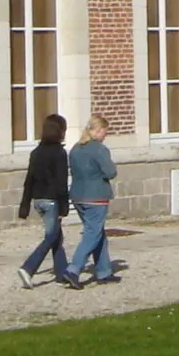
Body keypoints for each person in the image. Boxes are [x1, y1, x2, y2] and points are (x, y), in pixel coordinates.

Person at [17, 113, 77, 289]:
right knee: (51, 237)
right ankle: (28, 268)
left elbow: (29, 180)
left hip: (38, 200)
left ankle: (61, 272)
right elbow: (61, 182)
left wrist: (25, 205)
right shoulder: (59, 153)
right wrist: (64, 208)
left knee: (56, 236)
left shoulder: (36, 152)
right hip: (51, 201)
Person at [67, 114, 119, 285]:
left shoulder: (75, 148)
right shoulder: (99, 149)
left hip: (77, 196)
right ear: (97, 130)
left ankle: (104, 271)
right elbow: (110, 172)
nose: (105, 135)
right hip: (96, 196)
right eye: (105, 131)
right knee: (92, 233)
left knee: (97, 232)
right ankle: (74, 269)